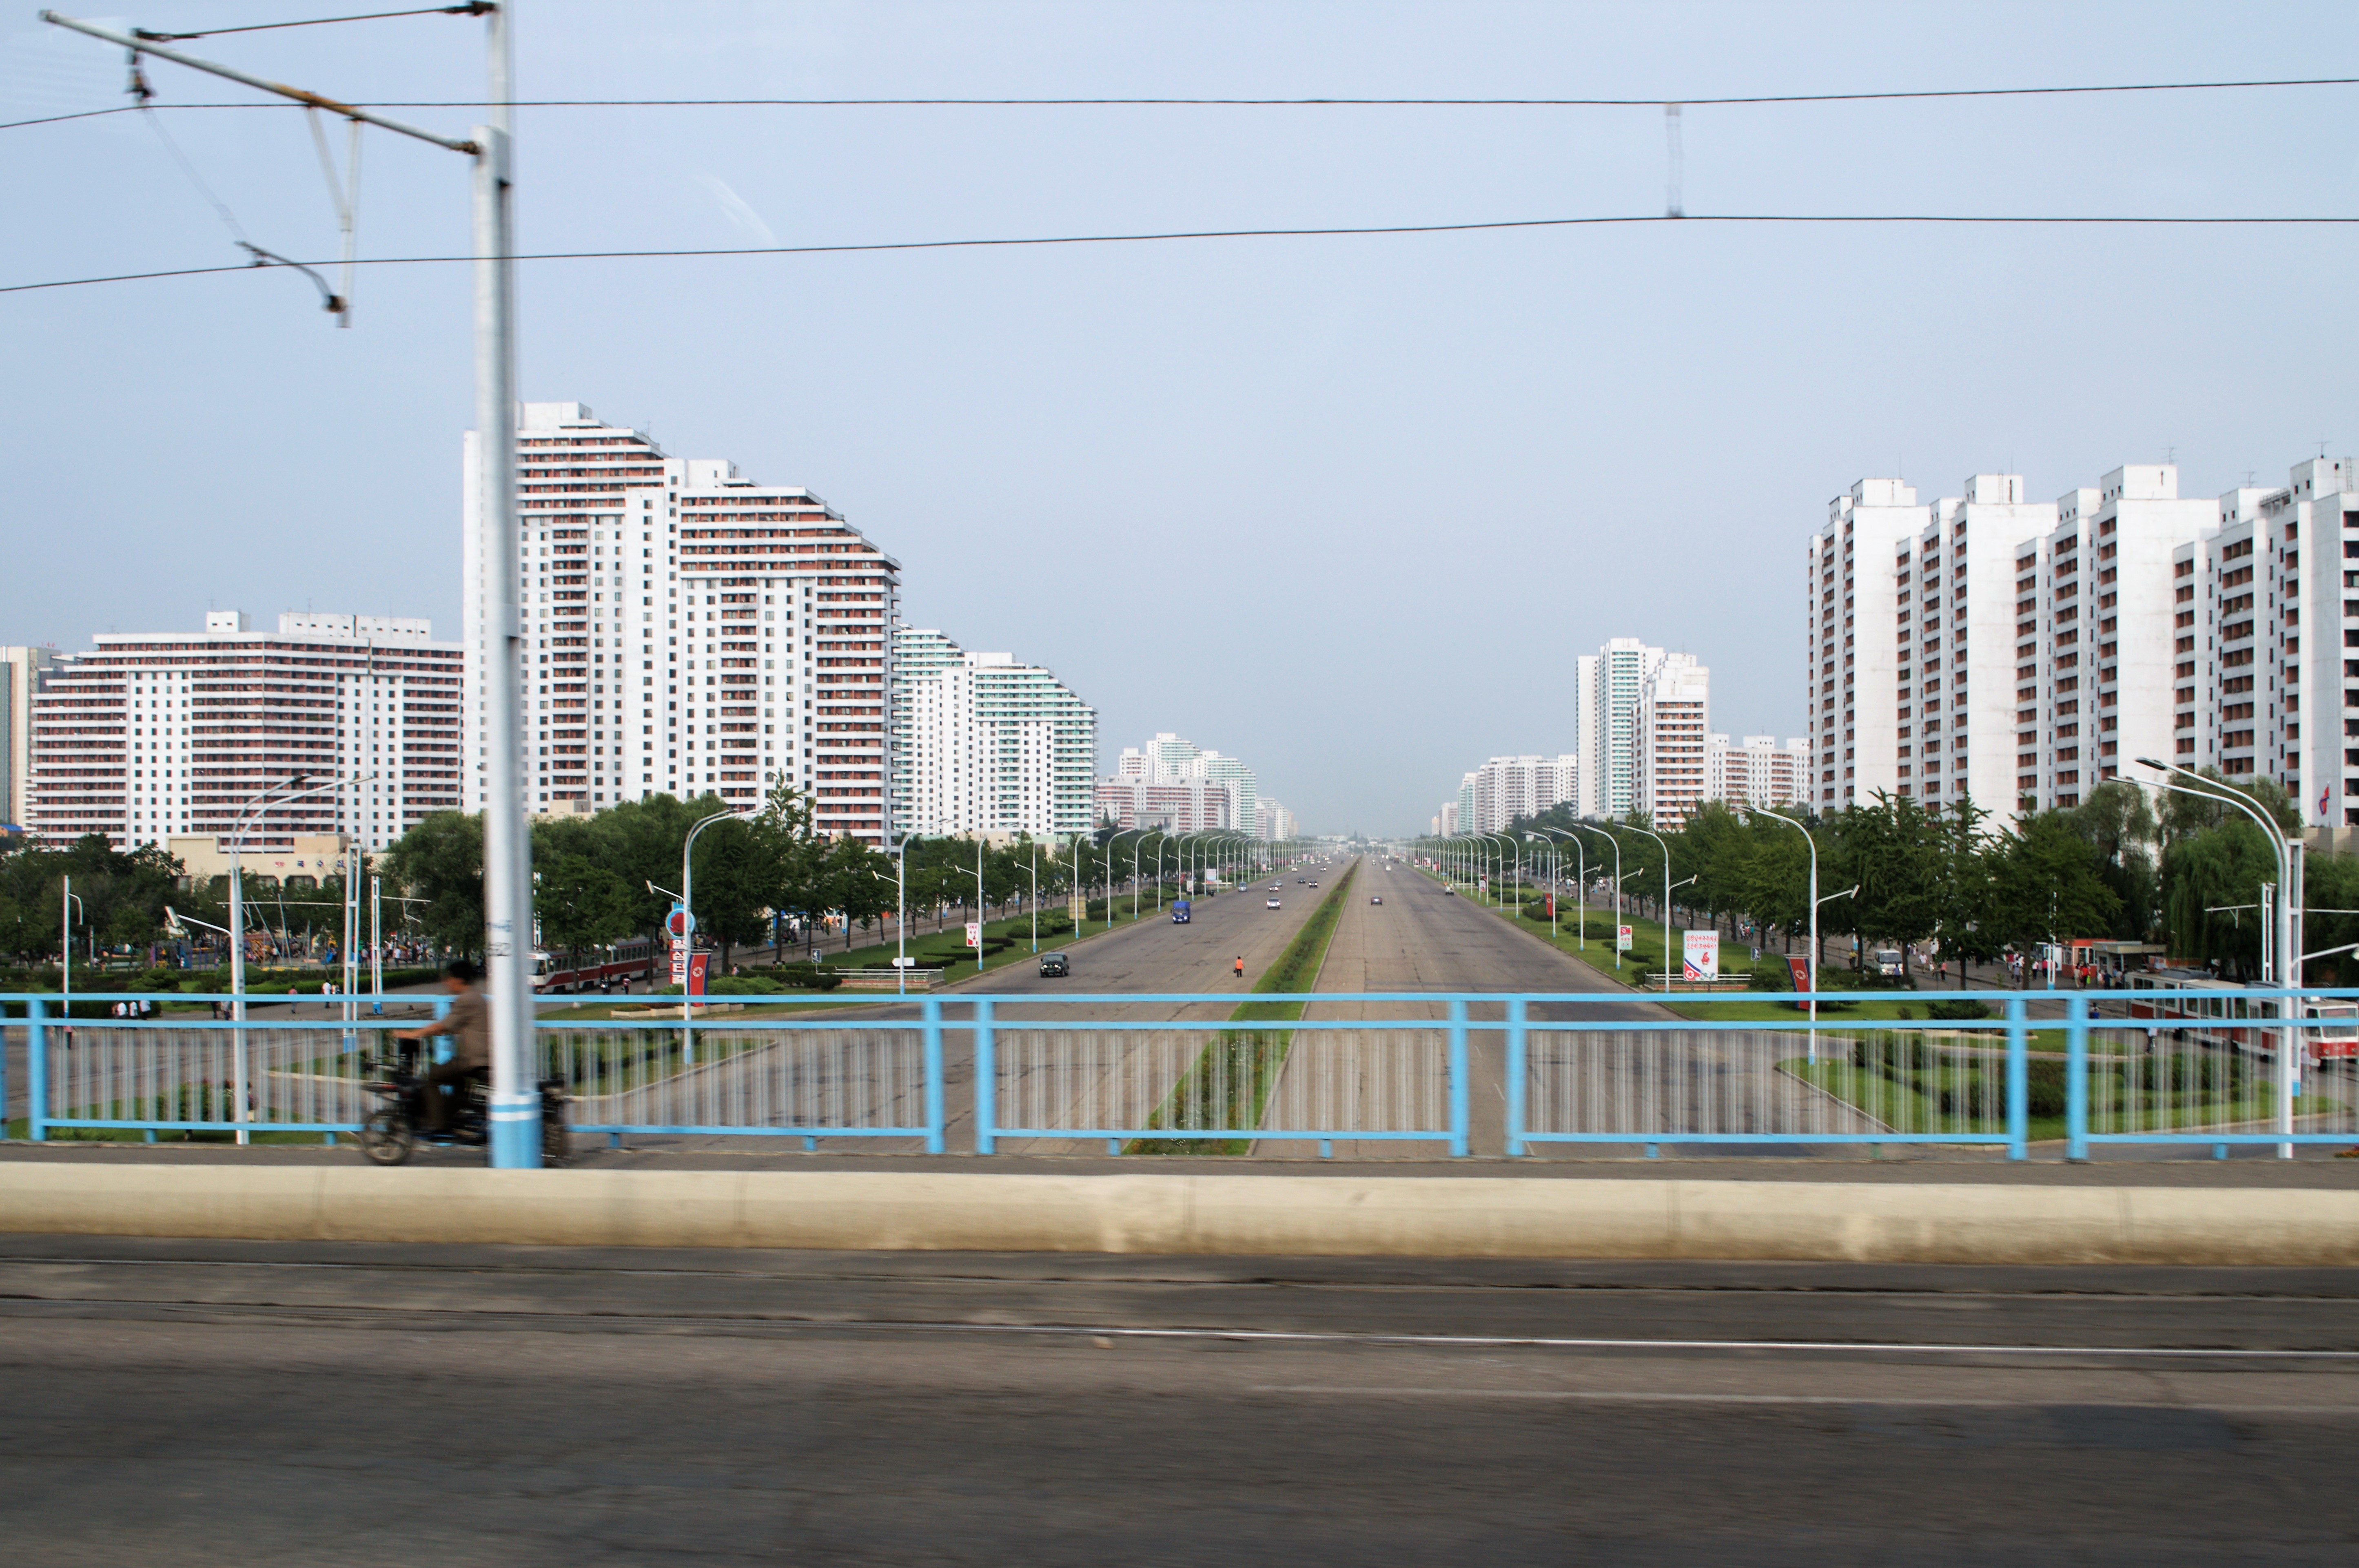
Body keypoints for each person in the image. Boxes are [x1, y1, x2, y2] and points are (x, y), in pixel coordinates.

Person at [389, 959, 490, 1136]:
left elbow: (442, 1026)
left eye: (449, 979)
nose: (446, 983)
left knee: (433, 1078)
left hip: (474, 1060)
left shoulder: (466, 1000)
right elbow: (450, 1027)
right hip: (482, 1057)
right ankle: (453, 1116)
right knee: (457, 1083)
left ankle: (439, 1125)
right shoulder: (477, 997)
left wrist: (412, 1034)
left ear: (458, 980)